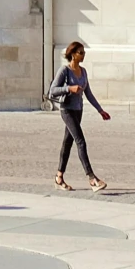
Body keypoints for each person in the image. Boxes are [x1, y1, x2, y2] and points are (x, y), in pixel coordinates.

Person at [48, 39, 110, 192]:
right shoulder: (64, 71)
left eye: (84, 52)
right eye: (81, 52)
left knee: (67, 143)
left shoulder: (83, 72)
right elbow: (52, 90)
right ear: (73, 55)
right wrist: (69, 88)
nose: (83, 55)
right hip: (67, 110)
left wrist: (100, 110)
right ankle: (92, 178)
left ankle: (59, 177)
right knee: (80, 141)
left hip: (78, 110)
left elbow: (88, 93)